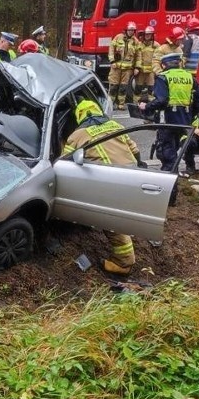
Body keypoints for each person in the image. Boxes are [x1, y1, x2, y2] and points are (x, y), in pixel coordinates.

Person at [62, 99, 145, 275]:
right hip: (132, 176)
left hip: (110, 181)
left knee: (111, 221)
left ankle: (124, 263)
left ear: (79, 116)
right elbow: (134, 149)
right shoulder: (115, 125)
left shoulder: (77, 135)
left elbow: (64, 162)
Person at [140, 52, 199, 172]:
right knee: (176, 147)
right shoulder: (189, 77)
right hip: (184, 120)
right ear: (179, 63)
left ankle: (169, 180)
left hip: (167, 120)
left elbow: (161, 100)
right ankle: (175, 173)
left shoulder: (163, 77)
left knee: (167, 151)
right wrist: (189, 114)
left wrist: (146, 107)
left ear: (163, 65)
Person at [107, 22, 141, 109]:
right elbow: (111, 48)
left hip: (127, 69)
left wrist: (137, 67)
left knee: (123, 87)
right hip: (116, 67)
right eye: (130, 30)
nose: (131, 32)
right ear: (126, 30)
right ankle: (110, 104)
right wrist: (112, 61)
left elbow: (138, 56)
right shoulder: (118, 37)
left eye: (133, 30)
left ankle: (121, 104)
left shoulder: (135, 42)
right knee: (113, 86)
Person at [136, 26, 160, 99]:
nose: (147, 36)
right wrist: (137, 68)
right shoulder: (140, 44)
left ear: (152, 35)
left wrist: (157, 70)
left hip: (151, 72)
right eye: (146, 34)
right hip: (141, 71)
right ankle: (136, 104)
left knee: (151, 89)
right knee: (138, 88)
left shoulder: (156, 45)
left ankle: (151, 104)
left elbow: (158, 58)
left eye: (149, 35)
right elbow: (137, 56)